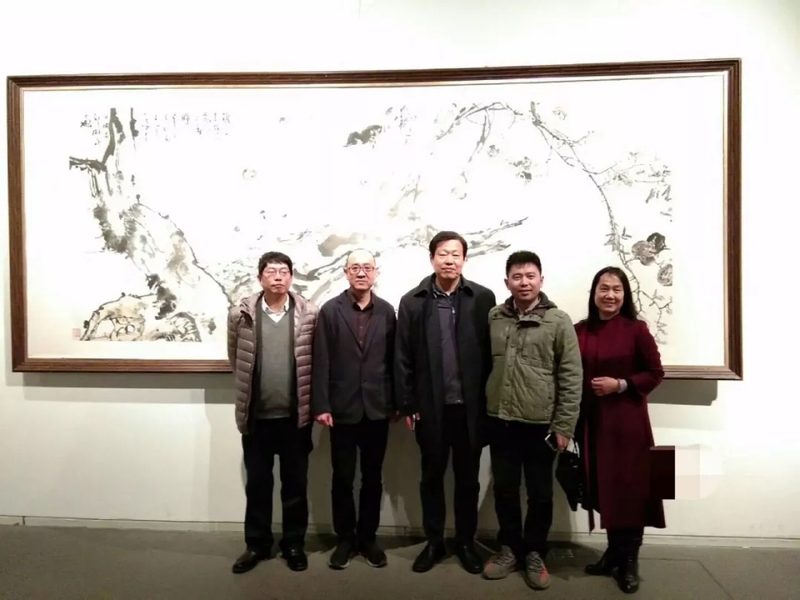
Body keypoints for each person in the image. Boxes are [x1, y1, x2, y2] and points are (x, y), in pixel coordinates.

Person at [394, 231, 496, 575]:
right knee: (431, 478)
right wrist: (407, 403)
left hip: (470, 409)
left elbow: (491, 354)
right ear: (432, 258)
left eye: (455, 254)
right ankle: (434, 541)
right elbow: (402, 357)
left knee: (468, 480)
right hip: (430, 409)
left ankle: (465, 542)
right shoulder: (413, 301)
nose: (449, 260)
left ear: (464, 259)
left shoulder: (482, 298)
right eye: (443, 254)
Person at [481, 251, 583, 590]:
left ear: (541, 280)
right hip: (501, 421)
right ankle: (510, 549)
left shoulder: (559, 320)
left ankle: (535, 552)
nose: (524, 282)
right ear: (507, 281)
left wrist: (564, 426)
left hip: (541, 424)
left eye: (530, 276)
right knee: (505, 490)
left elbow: (571, 376)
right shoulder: (495, 316)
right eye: (517, 276)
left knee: (540, 493)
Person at [227, 251, 319, 574]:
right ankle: (257, 544)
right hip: (257, 418)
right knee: (258, 485)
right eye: (271, 272)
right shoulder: (241, 314)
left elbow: (316, 360)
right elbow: (235, 357)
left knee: (295, 486)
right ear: (260, 278)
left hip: (296, 418)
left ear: (291, 277)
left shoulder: (309, 314)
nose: (278, 277)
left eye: (283, 271)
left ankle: (293, 544)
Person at [575, 266, 666, 594]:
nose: (610, 295)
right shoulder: (579, 330)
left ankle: (629, 562)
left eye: (616, 289)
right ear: (594, 293)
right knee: (604, 492)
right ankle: (613, 553)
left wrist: (621, 384)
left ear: (625, 295)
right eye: (604, 288)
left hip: (628, 427)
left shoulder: (636, 329)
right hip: (592, 425)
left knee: (631, 493)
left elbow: (656, 372)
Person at [311, 249, 397, 570]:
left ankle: (368, 538)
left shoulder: (387, 311)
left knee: (373, 479)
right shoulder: (330, 311)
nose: (362, 273)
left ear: (376, 272)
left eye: (367, 268)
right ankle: (345, 539)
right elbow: (321, 360)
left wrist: (396, 402)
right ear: (346, 273)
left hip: (377, 409)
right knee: (343, 478)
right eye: (355, 268)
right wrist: (322, 404)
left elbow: (394, 361)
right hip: (342, 410)